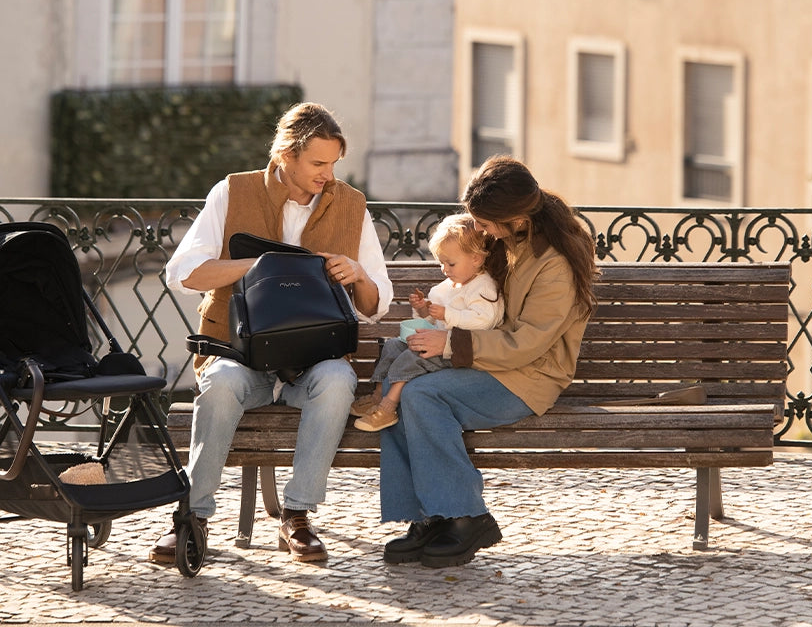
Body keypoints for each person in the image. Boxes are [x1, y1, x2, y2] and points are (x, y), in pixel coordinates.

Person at [149, 101, 393, 565]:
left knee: (339, 381)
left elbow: (376, 306)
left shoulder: (352, 205)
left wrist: (357, 273)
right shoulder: (232, 192)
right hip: (240, 356)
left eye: (334, 163)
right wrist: (262, 267)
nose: (328, 174)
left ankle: (297, 514)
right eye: (318, 163)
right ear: (286, 155)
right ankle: (192, 518)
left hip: (314, 361)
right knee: (219, 384)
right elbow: (182, 274)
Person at [378, 155, 598, 569]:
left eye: (484, 221)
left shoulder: (555, 264)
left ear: (515, 216)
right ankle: (429, 517)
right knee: (402, 388)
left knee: (423, 396)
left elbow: (527, 344)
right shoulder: (507, 239)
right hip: (491, 361)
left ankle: (466, 518)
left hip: (529, 376)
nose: (479, 228)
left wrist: (449, 344)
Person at [350, 213, 505, 432]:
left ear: (476, 259)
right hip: (436, 345)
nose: (445, 269)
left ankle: (388, 407)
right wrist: (423, 308)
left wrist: (447, 314)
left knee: (414, 355)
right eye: (441, 263)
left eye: (450, 263)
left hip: (460, 354)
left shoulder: (484, 287)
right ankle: (377, 395)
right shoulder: (449, 285)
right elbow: (429, 321)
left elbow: (484, 320)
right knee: (394, 346)